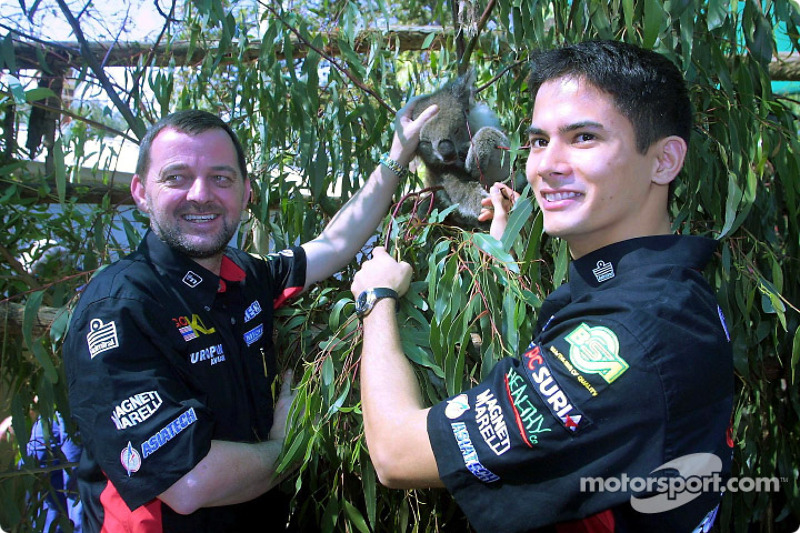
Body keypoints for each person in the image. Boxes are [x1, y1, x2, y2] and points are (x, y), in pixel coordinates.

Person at [350, 40, 734, 532]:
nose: (546, 165)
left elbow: (395, 453)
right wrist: (498, 254)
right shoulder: (650, 289)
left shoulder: (627, 338)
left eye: (584, 138)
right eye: (537, 141)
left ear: (664, 160)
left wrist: (376, 298)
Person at [63, 106, 437, 532]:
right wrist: (287, 446)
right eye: (176, 177)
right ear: (141, 192)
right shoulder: (119, 309)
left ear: (246, 193)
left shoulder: (245, 275)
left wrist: (396, 155)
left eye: (221, 178)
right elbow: (189, 482)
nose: (200, 194)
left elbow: (334, 244)